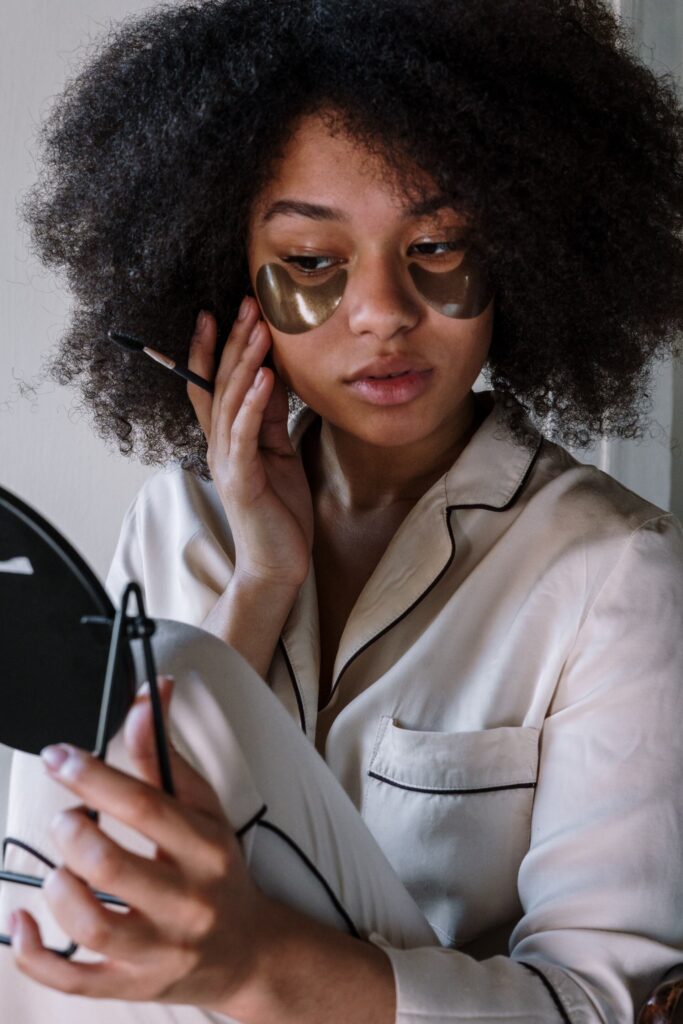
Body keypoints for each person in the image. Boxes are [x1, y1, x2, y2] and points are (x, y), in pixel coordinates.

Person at [2, 0, 683, 1021]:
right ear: (229, 275)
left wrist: (253, 966)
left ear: (518, 253)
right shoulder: (175, 525)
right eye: (313, 262)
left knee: (149, 693)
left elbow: (600, 1007)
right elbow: (97, 893)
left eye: (440, 245)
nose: (382, 312)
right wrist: (258, 583)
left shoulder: (614, 573)